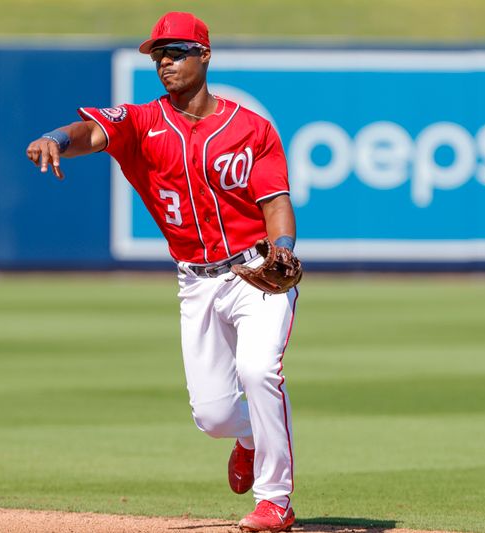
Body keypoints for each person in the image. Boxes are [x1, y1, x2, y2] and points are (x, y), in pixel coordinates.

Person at [26, 11, 301, 533]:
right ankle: (248, 439)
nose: (165, 63)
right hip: (195, 279)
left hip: (255, 273)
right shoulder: (143, 122)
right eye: (158, 55)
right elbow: (91, 130)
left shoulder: (252, 129)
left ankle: (275, 500)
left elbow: (276, 201)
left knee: (261, 370)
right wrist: (57, 139)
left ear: (205, 55)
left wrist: (283, 247)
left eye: (176, 52)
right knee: (213, 415)